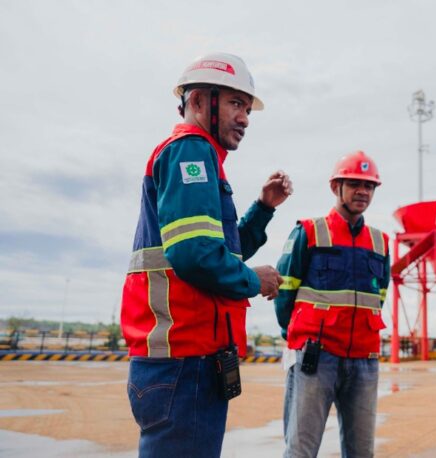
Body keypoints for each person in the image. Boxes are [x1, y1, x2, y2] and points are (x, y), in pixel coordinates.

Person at [120, 52, 292, 457]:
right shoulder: (192, 152)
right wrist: (255, 280)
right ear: (198, 101)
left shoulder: (203, 161)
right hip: (184, 360)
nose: (246, 118)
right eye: (235, 104)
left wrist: (264, 207)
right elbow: (195, 255)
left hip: (183, 362)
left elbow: (221, 250)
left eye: (247, 108)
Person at [274, 151, 390, 458]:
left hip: (364, 360)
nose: (363, 192)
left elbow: (379, 297)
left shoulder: (380, 243)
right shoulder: (309, 231)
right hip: (316, 357)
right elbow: (285, 290)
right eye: (354, 184)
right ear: (335, 187)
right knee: (301, 450)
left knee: (361, 452)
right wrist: (296, 337)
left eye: (369, 186)